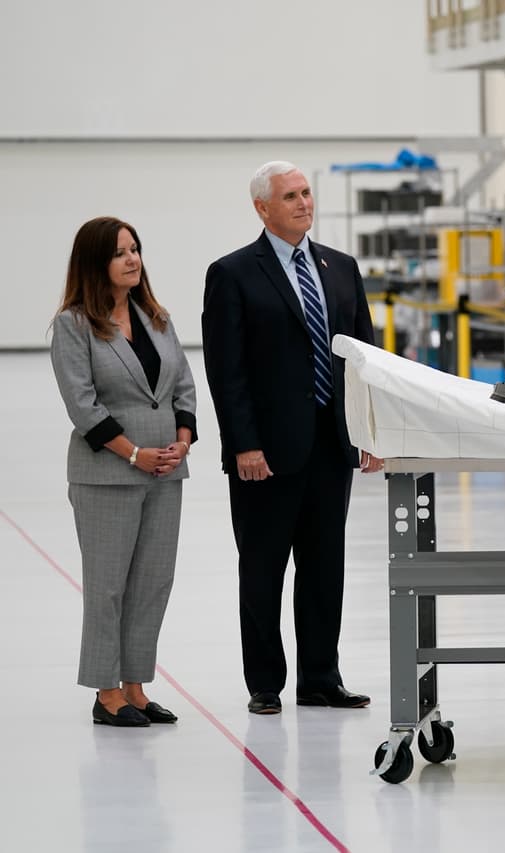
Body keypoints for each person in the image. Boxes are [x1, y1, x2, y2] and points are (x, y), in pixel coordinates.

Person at [203, 161, 382, 715]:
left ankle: (321, 678)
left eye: (306, 193)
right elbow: (226, 370)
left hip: (331, 446)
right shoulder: (233, 273)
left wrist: (370, 431)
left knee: (325, 568)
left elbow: (364, 359)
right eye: (290, 196)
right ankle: (265, 683)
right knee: (262, 569)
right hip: (266, 452)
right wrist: (243, 444)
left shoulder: (341, 268)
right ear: (262, 208)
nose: (304, 203)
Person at [50, 216, 197, 727]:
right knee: (108, 587)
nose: (132, 259)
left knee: (153, 583)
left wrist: (182, 442)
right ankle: (106, 692)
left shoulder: (156, 317)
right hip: (107, 475)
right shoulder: (73, 325)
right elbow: (82, 405)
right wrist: (135, 454)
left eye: (135, 249)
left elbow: (183, 386)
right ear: (95, 263)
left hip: (165, 473)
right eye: (119, 253)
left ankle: (135, 686)